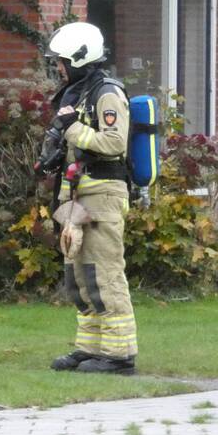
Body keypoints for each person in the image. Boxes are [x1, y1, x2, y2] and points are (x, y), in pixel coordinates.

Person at [44, 22, 137, 375]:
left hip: (103, 192)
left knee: (104, 272)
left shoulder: (107, 94)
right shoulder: (78, 93)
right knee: (78, 273)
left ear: (81, 59)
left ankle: (119, 354)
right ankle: (90, 348)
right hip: (77, 192)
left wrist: (74, 129)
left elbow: (115, 143)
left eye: (62, 61)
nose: (58, 68)